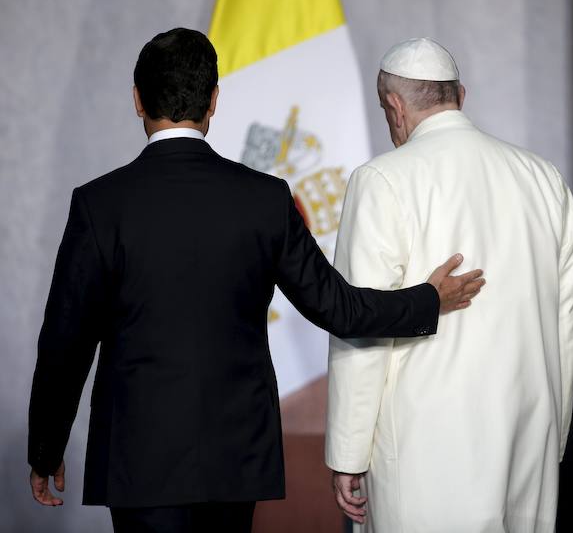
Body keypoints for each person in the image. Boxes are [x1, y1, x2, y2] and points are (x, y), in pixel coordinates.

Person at [27, 28, 485, 533]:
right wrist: (428, 300)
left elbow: (64, 346)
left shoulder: (99, 205)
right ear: (214, 101)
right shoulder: (265, 200)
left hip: (140, 464)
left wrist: (46, 450)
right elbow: (339, 308)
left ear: (137, 100)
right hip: (235, 460)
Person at [325, 38, 573, 532]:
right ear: (459, 95)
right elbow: (565, 322)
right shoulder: (544, 178)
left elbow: (363, 320)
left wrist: (348, 452)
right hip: (528, 435)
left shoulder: (382, 179)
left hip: (426, 446)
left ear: (394, 107)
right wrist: (554, 434)